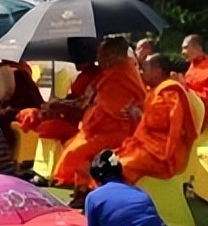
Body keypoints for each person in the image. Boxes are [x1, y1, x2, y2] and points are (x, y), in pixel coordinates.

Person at [53, 37, 147, 208]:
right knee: (73, 145)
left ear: (115, 56)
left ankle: (87, 191)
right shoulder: (116, 72)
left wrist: (90, 117)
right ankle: (84, 189)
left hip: (119, 132)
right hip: (105, 128)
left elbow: (113, 109)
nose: (99, 59)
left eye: (103, 55)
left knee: (76, 152)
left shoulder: (120, 75)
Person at [115, 54, 199, 184]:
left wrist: (139, 114)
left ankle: (122, 200)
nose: (142, 73)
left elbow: (158, 123)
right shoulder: (156, 90)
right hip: (148, 146)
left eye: (145, 69)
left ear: (157, 70)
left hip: (163, 155)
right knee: (112, 160)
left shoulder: (170, 93)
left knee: (120, 166)